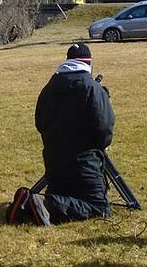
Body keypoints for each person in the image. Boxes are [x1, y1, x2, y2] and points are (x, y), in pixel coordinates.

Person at [9, 43, 115, 226]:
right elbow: (104, 130)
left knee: (64, 195)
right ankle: (45, 204)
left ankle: (27, 205)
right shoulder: (92, 88)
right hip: (84, 163)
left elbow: (40, 123)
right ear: (89, 63)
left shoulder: (49, 88)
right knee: (98, 207)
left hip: (53, 163)